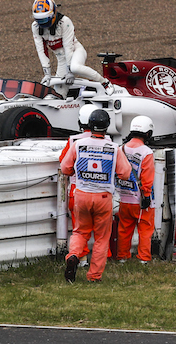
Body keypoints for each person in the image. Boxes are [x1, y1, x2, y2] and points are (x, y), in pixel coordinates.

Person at [60, 109, 131, 283]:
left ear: (89, 125)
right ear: (107, 127)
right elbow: (126, 173)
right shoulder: (114, 148)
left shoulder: (78, 144)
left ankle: (74, 255)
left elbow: (65, 168)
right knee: (101, 238)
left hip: (82, 195)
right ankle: (94, 276)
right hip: (103, 197)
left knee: (79, 232)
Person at [31, 0, 113, 95]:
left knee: (75, 68)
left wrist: (70, 72)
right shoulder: (35, 27)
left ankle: (104, 82)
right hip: (62, 59)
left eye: (45, 20)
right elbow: (41, 50)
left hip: (75, 51)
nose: (42, 24)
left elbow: (68, 46)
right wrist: (47, 74)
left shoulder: (65, 22)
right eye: (39, 20)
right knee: (59, 92)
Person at [59, 103, 98, 265]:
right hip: (101, 190)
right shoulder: (109, 140)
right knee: (102, 229)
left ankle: (81, 258)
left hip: (78, 190)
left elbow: (64, 163)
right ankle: (104, 258)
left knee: (80, 228)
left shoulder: (73, 140)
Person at [116, 116, 156, 264]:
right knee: (145, 229)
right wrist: (146, 195)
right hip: (140, 199)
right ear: (148, 133)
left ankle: (122, 256)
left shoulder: (121, 149)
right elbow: (147, 177)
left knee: (124, 229)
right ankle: (143, 258)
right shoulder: (146, 152)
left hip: (124, 197)